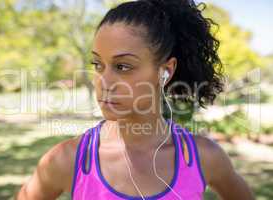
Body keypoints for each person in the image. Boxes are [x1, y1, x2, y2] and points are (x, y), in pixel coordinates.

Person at [16, 0, 255, 199]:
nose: (104, 81)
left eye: (122, 66)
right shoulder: (68, 160)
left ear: (166, 71)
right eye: (98, 65)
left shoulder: (203, 157)